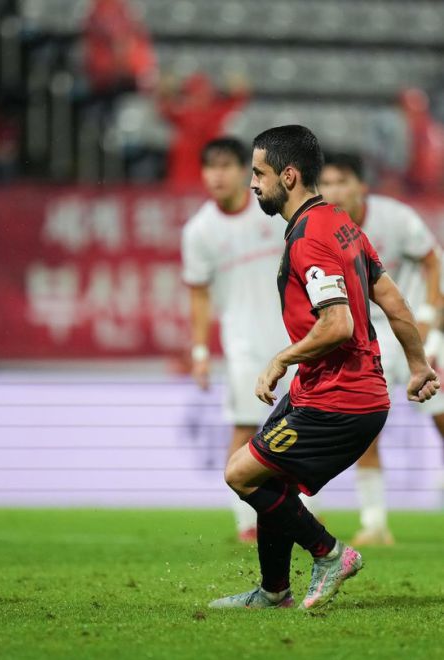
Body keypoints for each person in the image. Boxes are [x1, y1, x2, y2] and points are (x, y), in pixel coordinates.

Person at [209, 125, 439, 611]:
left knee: (241, 475)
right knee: (271, 478)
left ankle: (329, 553)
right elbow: (392, 297)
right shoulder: (340, 223)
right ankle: (274, 592)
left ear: (288, 176)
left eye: (259, 173)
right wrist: (418, 365)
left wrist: (281, 358)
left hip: (338, 399)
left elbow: (338, 324)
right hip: (341, 389)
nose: (252, 184)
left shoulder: (309, 237)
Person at [319, 152, 444, 545]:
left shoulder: (395, 218)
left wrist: (429, 315)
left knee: (441, 418)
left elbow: (432, 262)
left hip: (413, 328)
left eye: (341, 181)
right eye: (326, 183)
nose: (334, 191)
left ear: (361, 186)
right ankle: (375, 524)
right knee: (367, 424)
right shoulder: (320, 230)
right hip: (366, 336)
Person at [181, 137, 290, 542]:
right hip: (243, 344)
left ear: (245, 171)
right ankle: (246, 523)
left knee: (299, 430)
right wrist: (199, 351)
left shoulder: (273, 211)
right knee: (244, 428)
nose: (218, 175)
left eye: (226, 166)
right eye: (210, 167)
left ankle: (303, 516)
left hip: (293, 341)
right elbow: (198, 294)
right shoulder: (199, 231)